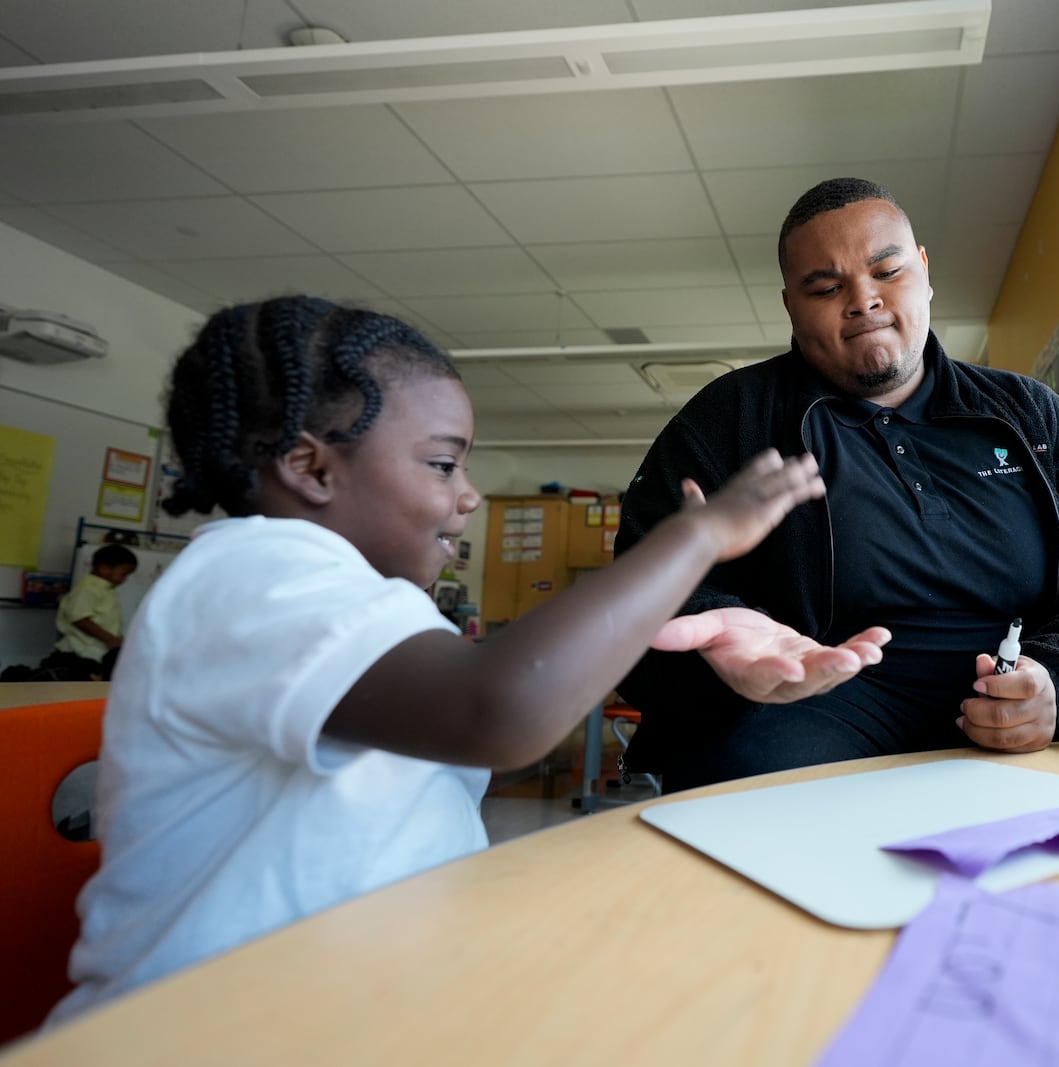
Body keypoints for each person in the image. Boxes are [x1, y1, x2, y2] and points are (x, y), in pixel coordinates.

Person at [49, 296, 827, 1024]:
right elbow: (498, 710)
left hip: (344, 1004)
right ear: (310, 466)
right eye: (441, 464)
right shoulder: (255, 576)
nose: (469, 496)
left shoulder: (352, 599)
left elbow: (460, 753)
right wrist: (689, 542)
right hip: (198, 1029)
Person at [615, 177, 1059, 792]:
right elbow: (641, 591)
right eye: (827, 288)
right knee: (737, 786)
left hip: (1031, 695)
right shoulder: (726, 423)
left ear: (924, 272)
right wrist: (726, 648)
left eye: (887, 272)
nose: (862, 301)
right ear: (790, 305)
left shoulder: (1034, 417)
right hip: (821, 712)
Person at [40, 543, 137, 680]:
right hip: (79, 654)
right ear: (104, 569)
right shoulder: (87, 588)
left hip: (96, 654)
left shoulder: (106, 589)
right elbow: (79, 618)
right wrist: (109, 638)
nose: (124, 580)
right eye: (123, 574)